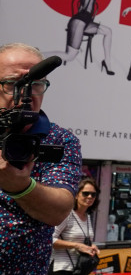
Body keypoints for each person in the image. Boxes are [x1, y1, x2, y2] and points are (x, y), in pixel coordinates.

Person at [0, 43, 84, 275]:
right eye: (11, 84)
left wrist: (20, 186)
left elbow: (58, 211)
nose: (25, 94)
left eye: (35, 84)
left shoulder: (59, 140)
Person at [45, 0, 117, 74]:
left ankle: (107, 63)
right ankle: (38, 54)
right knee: (70, 56)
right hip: (79, 23)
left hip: (84, 22)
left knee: (108, 31)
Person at [50, 177, 100, 275]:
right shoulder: (67, 214)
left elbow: (82, 241)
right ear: (76, 195)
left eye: (93, 194)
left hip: (78, 269)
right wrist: (77, 246)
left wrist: (90, 247)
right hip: (61, 269)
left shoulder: (87, 217)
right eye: (86, 193)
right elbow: (50, 239)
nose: (90, 197)